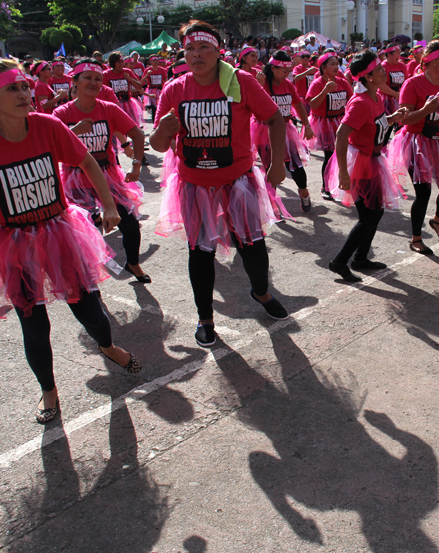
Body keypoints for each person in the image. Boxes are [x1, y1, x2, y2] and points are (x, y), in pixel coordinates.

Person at [0, 59, 140, 424]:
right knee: (34, 323)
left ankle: (108, 346)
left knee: (91, 311)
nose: (23, 95)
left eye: (24, 87)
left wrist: (110, 203)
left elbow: (87, 162)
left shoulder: (48, 126)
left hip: (58, 230)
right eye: (12, 90)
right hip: (12, 241)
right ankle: (49, 391)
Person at [151, 20, 290, 348]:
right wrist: (164, 130)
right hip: (195, 186)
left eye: (204, 49)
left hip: (237, 182)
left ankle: (261, 292)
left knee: (253, 247)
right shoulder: (175, 89)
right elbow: (157, 145)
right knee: (200, 252)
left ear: (218, 52)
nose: (196, 55)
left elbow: (274, 118)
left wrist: (278, 163)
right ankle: (205, 318)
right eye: (190, 50)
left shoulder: (239, 81)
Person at [53, 57, 150, 283]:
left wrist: (136, 164)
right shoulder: (61, 114)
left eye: (98, 78)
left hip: (108, 174)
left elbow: (137, 134)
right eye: (88, 78)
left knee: (130, 224)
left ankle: (132, 263)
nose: (94, 82)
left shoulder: (109, 109)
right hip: (75, 178)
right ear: (75, 81)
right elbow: (50, 151)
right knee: (83, 232)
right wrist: (73, 131)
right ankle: (88, 278)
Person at [323, 49, 407, 282]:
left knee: (375, 212)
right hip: (361, 161)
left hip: (373, 158)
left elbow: (374, 125)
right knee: (368, 216)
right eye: (379, 69)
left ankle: (360, 258)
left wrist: (392, 119)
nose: (383, 71)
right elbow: (341, 135)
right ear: (368, 77)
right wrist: (342, 171)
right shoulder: (360, 102)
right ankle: (340, 261)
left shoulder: (375, 96)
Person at [389, 40, 439, 255]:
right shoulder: (413, 84)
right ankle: (416, 238)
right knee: (423, 192)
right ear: (435, 61)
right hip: (416, 142)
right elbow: (404, 120)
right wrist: (425, 110)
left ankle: (437, 220)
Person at [253, 50, 315, 214]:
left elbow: (298, 105)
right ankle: (273, 204)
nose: (287, 75)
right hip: (263, 130)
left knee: (295, 165)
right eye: (284, 71)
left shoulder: (287, 84)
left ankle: (303, 191)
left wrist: (307, 125)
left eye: (289, 71)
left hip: (285, 129)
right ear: (273, 68)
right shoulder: (262, 82)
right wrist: (258, 86)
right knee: (269, 168)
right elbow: (249, 103)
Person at [306, 52, 353, 200]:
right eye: (332, 64)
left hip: (340, 121)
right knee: (329, 155)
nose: (336, 66)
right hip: (324, 123)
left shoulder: (342, 81)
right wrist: (325, 90)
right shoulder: (317, 83)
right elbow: (312, 104)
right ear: (323, 67)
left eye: (337, 63)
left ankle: (339, 183)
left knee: (342, 154)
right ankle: (325, 187)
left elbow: (352, 99)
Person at [103, 52, 144, 126]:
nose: (121, 64)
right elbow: (103, 91)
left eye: (122, 62)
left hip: (127, 104)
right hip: (113, 105)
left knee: (130, 127)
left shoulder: (128, 72)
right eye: (119, 62)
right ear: (113, 63)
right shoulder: (106, 74)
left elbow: (139, 87)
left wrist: (130, 78)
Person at [380, 43, 407, 115]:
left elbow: (406, 82)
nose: (399, 55)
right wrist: (395, 94)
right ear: (389, 54)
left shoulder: (402, 66)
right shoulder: (383, 66)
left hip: (399, 98)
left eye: (400, 53)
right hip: (385, 99)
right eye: (397, 53)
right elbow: (380, 84)